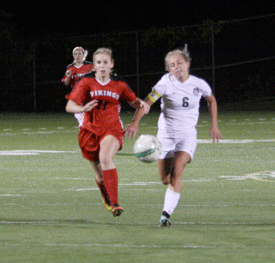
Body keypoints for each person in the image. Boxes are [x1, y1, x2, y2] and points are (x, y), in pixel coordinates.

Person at [125, 46, 223, 226]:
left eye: (180, 62)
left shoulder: (198, 84)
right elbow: (147, 103)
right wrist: (135, 122)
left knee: (177, 171)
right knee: (166, 179)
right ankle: (173, 191)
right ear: (168, 69)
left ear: (187, 63)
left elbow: (211, 100)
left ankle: (165, 215)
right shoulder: (165, 83)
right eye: (172, 65)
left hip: (187, 136)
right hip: (166, 136)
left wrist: (214, 125)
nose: (177, 66)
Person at [65, 47, 150, 217]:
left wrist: (137, 118)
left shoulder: (119, 84)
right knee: (100, 174)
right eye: (98, 62)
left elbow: (136, 104)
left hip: (112, 129)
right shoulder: (85, 82)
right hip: (89, 130)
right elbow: (69, 106)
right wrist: (82, 107)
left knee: (105, 158)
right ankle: (106, 196)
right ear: (94, 66)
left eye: (105, 62)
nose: (102, 66)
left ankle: (115, 203)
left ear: (111, 64)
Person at [62, 47, 93, 124]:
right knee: (80, 116)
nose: (77, 56)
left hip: (89, 94)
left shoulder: (90, 66)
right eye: (75, 54)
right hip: (77, 96)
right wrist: (68, 76)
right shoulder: (70, 67)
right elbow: (66, 83)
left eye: (79, 54)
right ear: (73, 56)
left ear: (83, 55)